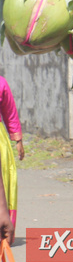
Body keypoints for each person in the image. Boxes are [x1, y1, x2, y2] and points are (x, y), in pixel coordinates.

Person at [0, 75, 21, 242]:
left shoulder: (1, 83)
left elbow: (10, 112)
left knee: (5, 180)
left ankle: (4, 227)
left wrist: (17, 139)